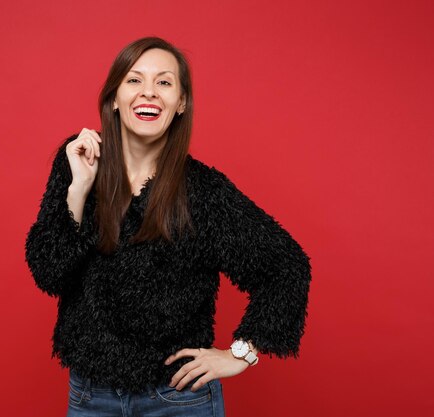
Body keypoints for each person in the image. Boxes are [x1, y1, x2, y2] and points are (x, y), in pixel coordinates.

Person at [25, 36, 312, 417]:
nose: (149, 93)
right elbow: (49, 273)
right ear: (113, 98)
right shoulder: (77, 161)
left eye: (164, 82)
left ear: (181, 103)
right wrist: (78, 189)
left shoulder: (204, 192)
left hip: (179, 401)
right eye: (134, 80)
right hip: (90, 398)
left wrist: (241, 353)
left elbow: (287, 266)